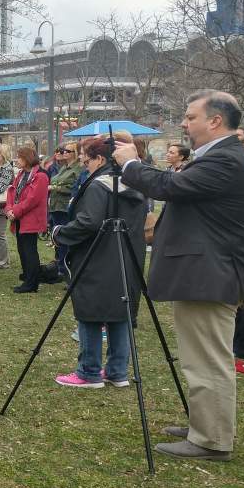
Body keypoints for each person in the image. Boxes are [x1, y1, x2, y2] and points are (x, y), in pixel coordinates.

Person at [114, 90, 244, 461]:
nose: (183, 123)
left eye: (191, 117)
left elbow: (170, 187)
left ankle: (211, 440)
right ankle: (204, 425)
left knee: (207, 359)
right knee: (199, 357)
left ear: (215, 121)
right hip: (204, 272)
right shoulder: (221, 157)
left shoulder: (225, 159)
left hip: (210, 273)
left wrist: (131, 164)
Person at [51, 135, 147, 388]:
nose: (84, 165)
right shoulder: (135, 183)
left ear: (101, 159)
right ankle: (117, 371)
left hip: (97, 256)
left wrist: (60, 233)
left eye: (87, 160)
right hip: (128, 257)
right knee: (121, 311)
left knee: (90, 312)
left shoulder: (99, 186)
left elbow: (89, 222)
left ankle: (89, 371)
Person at [5, 146, 49, 293]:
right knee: (22, 249)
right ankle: (27, 277)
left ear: (27, 158)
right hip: (19, 218)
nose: (16, 160)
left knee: (29, 250)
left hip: (30, 219)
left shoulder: (41, 176)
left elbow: (32, 200)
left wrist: (15, 211)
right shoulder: (22, 174)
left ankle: (31, 283)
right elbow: (12, 192)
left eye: (19, 157)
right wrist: (9, 209)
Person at [47, 142, 82, 278]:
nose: (64, 153)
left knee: (65, 239)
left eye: (67, 151)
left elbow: (74, 188)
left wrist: (56, 187)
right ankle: (60, 266)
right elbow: (55, 181)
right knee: (58, 238)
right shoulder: (63, 167)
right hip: (56, 206)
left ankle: (66, 268)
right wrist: (56, 185)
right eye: (63, 151)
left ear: (75, 153)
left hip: (65, 207)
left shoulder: (77, 169)